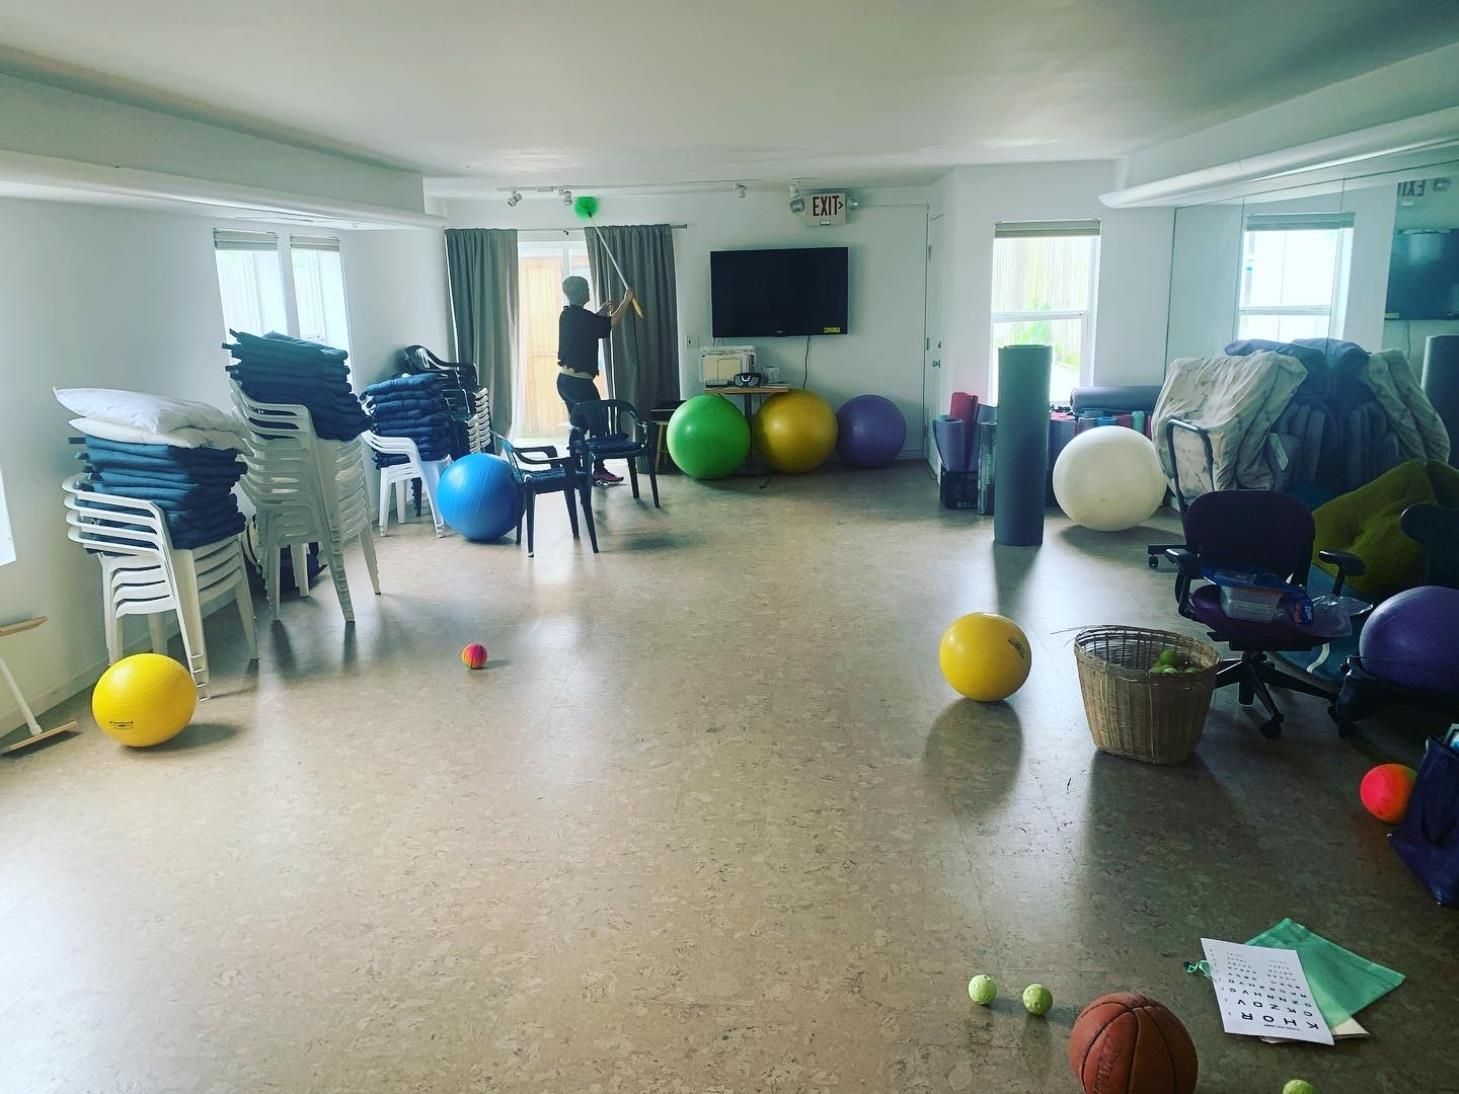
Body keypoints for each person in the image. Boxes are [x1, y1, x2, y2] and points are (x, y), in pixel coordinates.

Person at [557, 276, 635, 485]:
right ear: (583, 293)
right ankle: (598, 469)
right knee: (599, 424)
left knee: (579, 425)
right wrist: (627, 300)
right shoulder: (582, 317)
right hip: (579, 384)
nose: (590, 291)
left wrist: (600, 312)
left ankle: (576, 469)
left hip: (565, 381)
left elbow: (590, 328)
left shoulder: (568, 315)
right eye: (588, 289)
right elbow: (611, 323)